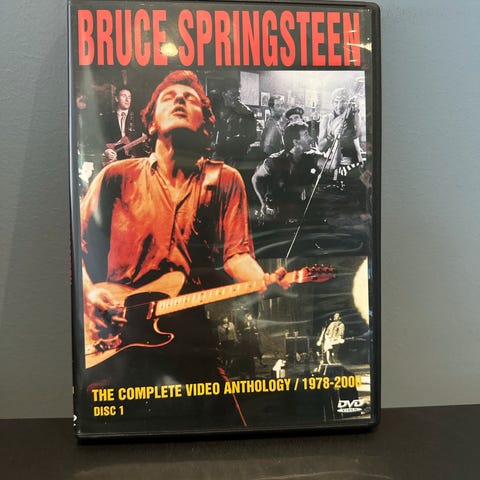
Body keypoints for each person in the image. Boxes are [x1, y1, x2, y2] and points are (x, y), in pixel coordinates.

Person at [80, 70, 288, 427]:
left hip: (188, 328)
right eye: (169, 97)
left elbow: (237, 254)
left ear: (205, 123)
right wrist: (89, 295)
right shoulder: (116, 177)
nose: (179, 99)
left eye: (190, 98)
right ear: (151, 123)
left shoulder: (225, 180)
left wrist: (262, 281)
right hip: (115, 332)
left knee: (227, 432)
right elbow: (76, 247)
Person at [251, 122, 320, 223]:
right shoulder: (275, 161)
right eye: (306, 135)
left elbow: (333, 164)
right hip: (275, 216)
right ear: (296, 142)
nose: (311, 138)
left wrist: (337, 139)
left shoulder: (309, 158)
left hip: (297, 214)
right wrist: (263, 203)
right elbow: (255, 179)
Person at [317, 88, 364, 181]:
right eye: (336, 102)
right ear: (332, 103)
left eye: (343, 102)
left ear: (348, 103)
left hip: (351, 165)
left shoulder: (354, 117)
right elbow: (321, 147)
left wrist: (354, 115)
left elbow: (356, 135)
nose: (339, 106)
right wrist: (331, 134)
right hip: (331, 164)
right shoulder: (326, 119)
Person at [211, 78, 257, 166]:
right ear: (224, 94)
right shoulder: (220, 109)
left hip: (236, 158)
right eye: (233, 94)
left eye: (238, 94)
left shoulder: (246, 112)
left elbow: (252, 137)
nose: (237, 98)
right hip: (219, 156)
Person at [101, 86, 148, 165]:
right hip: (113, 161)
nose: (127, 100)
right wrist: (106, 150)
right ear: (116, 99)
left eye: (129, 97)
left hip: (132, 160)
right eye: (124, 96)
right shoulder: (107, 118)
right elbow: (99, 138)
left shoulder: (139, 118)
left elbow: (145, 140)